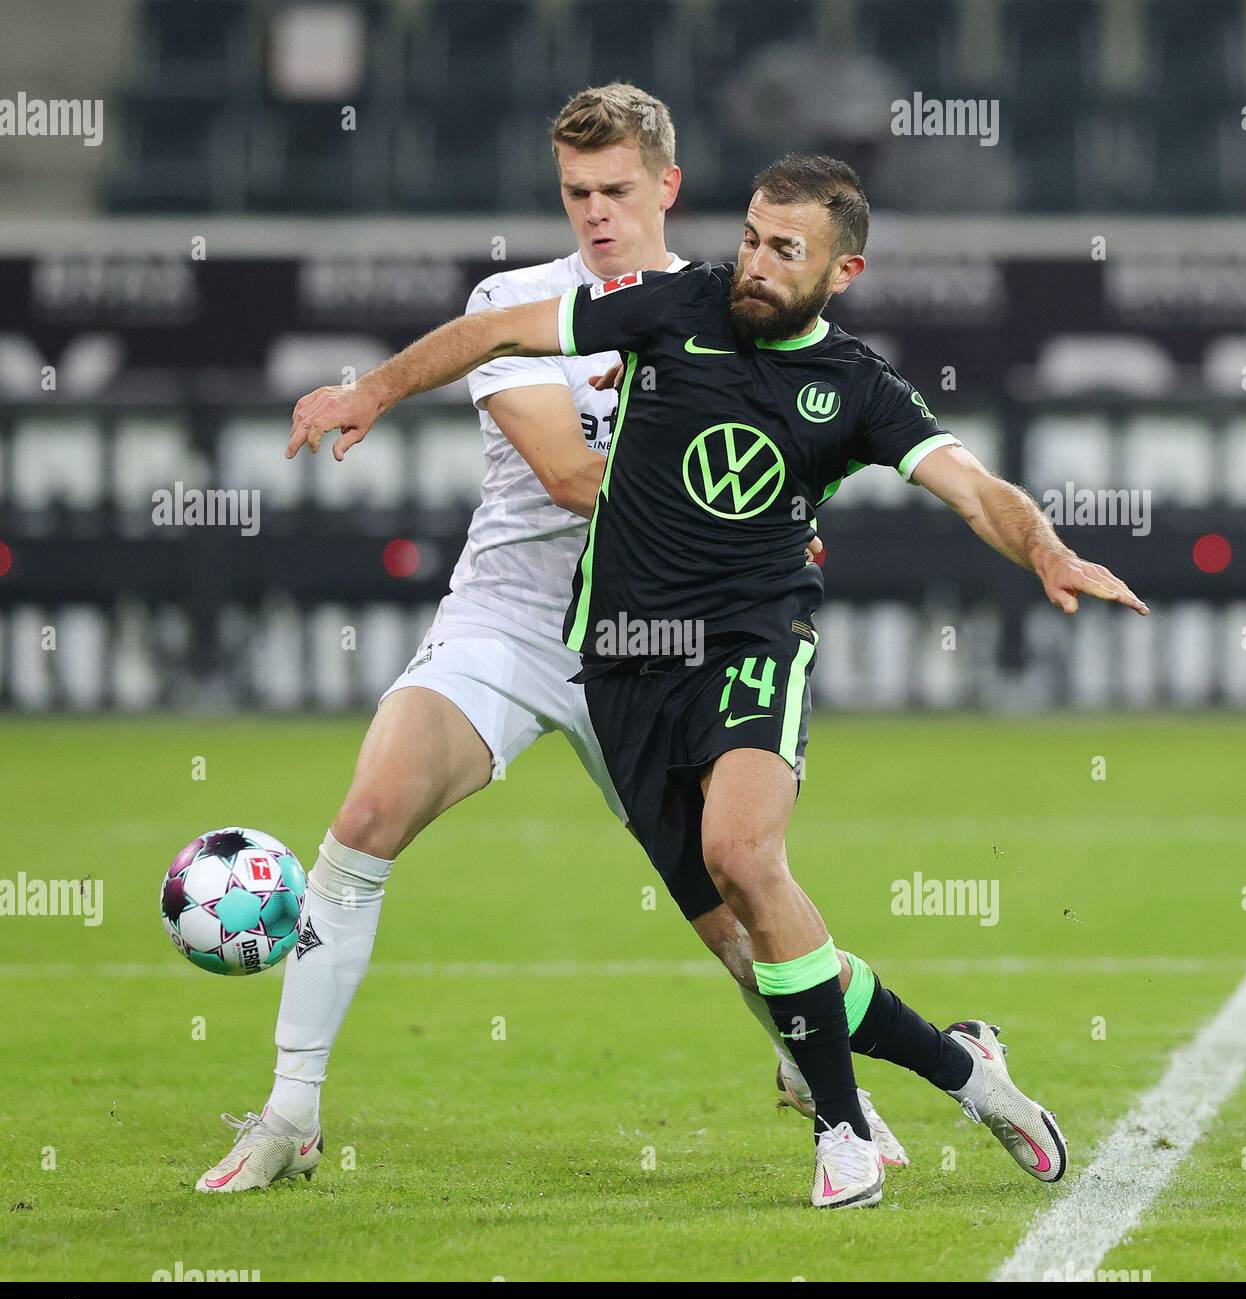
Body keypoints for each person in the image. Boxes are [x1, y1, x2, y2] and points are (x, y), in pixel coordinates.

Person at [278, 153, 1149, 1209]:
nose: (754, 263)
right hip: (623, 664)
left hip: (749, 642)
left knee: (743, 852)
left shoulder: (859, 387)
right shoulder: (671, 308)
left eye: (786, 250)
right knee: (753, 927)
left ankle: (841, 1134)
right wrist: (371, 389)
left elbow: (970, 486)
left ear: (842, 271)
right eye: (749, 236)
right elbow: (498, 333)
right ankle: (967, 1069)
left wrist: (1047, 551)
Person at [195, 89, 905, 1195]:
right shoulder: (517, 301)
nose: (595, 214)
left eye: (617, 190)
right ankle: (290, 1112)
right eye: (576, 193)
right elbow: (573, 478)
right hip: (516, 622)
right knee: (367, 813)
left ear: (666, 187)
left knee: (733, 910)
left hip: (667, 644)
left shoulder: (726, 310)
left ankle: (837, 1091)